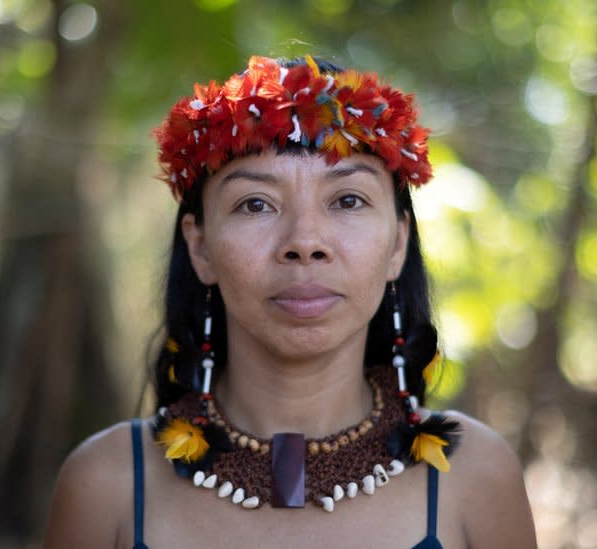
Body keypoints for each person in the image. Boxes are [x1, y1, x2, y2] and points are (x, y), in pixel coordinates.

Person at [43, 55, 536, 548]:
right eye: (255, 204)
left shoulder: (474, 478)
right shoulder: (105, 485)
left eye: (347, 200)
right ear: (200, 247)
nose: (304, 241)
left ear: (397, 244)